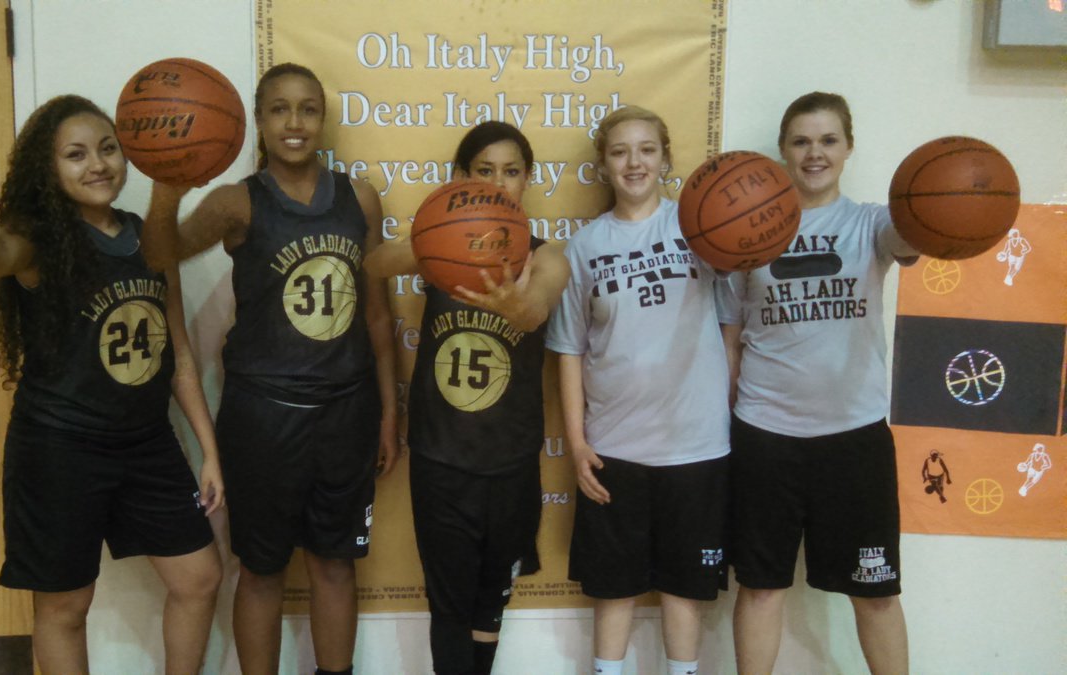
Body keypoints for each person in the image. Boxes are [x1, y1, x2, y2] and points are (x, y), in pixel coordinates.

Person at [0, 94, 224, 674]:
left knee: (200, 578)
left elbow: (177, 349)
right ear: (47, 169)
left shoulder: (149, 238)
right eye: (75, 155)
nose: (97, 164)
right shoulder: (37, 240)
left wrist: (208, 449)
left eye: (107, 149)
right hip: (59, 445)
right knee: (66, 605)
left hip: (147, 443)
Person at [142, 63, 398, 675]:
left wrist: (390, 412)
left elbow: (379, 319)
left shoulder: (359, 197)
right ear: (257, 120)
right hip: (263, 417)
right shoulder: (236, 203)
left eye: (308, 108)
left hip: (347, 410)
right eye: (279, 109)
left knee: (336, 564)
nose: (294, 122)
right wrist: (167, 188)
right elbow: (160, 252)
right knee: (261, 570)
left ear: (323, 118)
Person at [720, 91, 919, 675]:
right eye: (801, 141)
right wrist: (727, 423)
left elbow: (916, 237)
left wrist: (949, 209)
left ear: (849, 148)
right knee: (759, 589)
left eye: (828, 140)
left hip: (854, 438)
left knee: (877, 593)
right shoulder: (743, 236)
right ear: (782, 150)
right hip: (765, 435)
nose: (815, 153)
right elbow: (732, 338)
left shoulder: (872, 224)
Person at [364, 121, 570, 675]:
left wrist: (512, 299)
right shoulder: (441, 248)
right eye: (485, 172)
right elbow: (375, 264)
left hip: (511, 461)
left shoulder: (548, 257)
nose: (500, 185)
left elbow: (536, 308)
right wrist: (439, 237)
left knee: (490, 602)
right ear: (462, 179)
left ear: (529, 179)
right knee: (449, 603)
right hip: (441, 458)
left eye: (511, 172)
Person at [545, 106, 734, 675]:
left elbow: (730, 329)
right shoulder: (584, 246)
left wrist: (717, 407)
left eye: (646, 150)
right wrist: (578, 445)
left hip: (696, 449)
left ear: (665, 159)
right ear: (604, 164)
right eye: (621, 151)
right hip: (615, 450)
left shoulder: (701, 231)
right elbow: (570, 351)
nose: (634, 162)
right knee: (615, 591)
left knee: (683, 591)